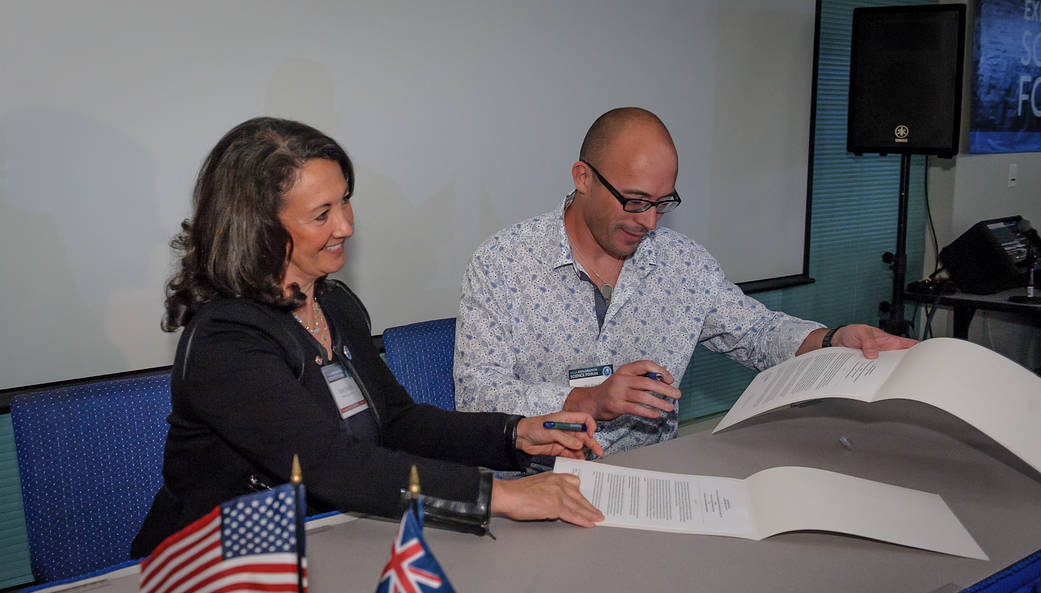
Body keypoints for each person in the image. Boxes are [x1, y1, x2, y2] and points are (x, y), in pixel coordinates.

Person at [131, 117, 604, 558]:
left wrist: (515, 435)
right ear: (259, 229)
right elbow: (330, 463)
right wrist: (498, 496)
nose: (346, 226)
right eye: (322, 215)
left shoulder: (333, 304)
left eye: (345, 201)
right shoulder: (226, 341)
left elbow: (396, 423)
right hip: (217, 571)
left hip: (327, 545)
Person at [454, 107, 916, 458]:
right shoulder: (503, 264)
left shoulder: (683, 265)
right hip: (532, 485)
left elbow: (757, 333)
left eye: (662, 202)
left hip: (654, 481)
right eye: (635, 202)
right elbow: (476, 399)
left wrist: (832, 339)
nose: (650, 222)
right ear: (583, 178)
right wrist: (588, 400)